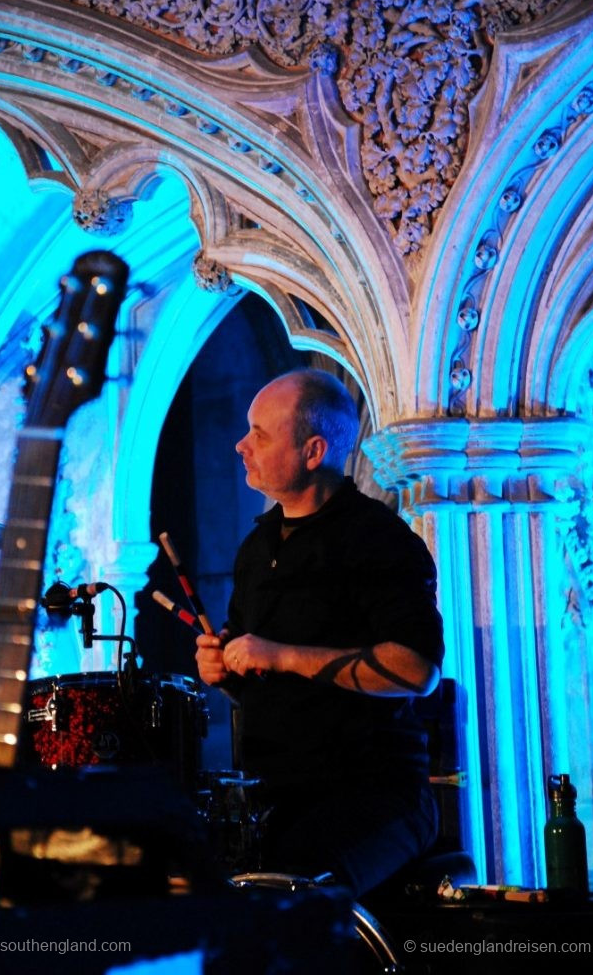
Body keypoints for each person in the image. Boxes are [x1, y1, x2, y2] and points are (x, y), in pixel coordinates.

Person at [195, 369, 444, 896]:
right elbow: (255, 674)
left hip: (371, 795)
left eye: (259, 434)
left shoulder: (378, 538)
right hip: (274, 794)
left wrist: (281, 655)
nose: (241, 445)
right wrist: (223, 667)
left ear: (313, 451)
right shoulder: (255, 551)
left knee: (290, 890)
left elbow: (417, 670)